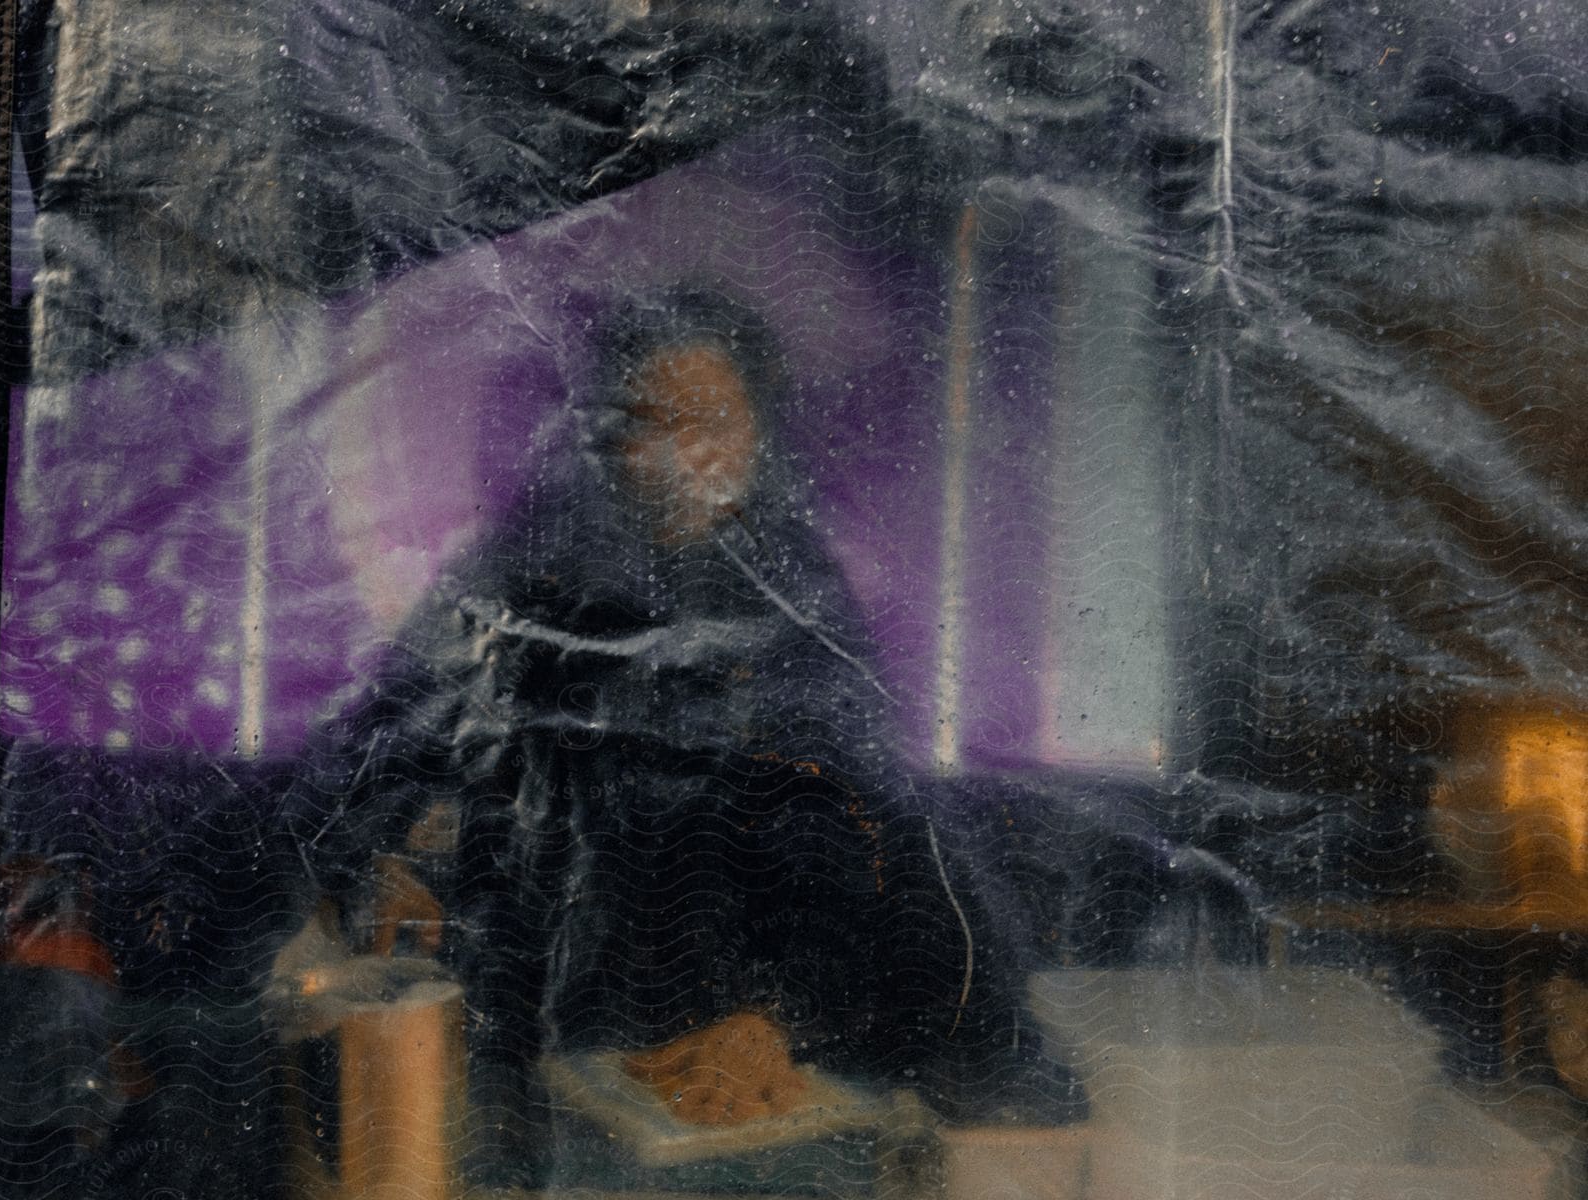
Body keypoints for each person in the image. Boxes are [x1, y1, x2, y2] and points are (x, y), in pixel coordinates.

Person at [291, 285, 1084, 1184]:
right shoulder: (518, 576)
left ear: (759, 439)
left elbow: (863, 842)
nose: (682, 454)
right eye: (649, 424)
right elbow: (377, 746)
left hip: (738, 1012)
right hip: (541, 1010)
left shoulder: (801, 602)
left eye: (713, 422)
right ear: (606, 444)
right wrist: (379, 862)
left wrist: (784, 1016)